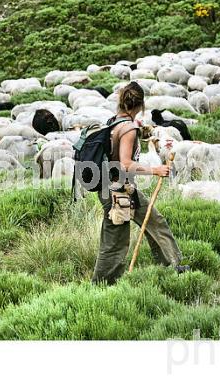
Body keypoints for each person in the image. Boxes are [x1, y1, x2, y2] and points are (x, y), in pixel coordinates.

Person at [92, 81, 188, 285]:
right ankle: (101, 285)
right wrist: (155, 170)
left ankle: (173, 267)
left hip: (121, 188)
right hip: (118, 192)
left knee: (155, 221)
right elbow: (126, 163)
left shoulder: (114, 121)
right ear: (141, 105)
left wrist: (145, 131)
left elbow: (117, 146)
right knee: (115, 241)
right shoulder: (127, 129)